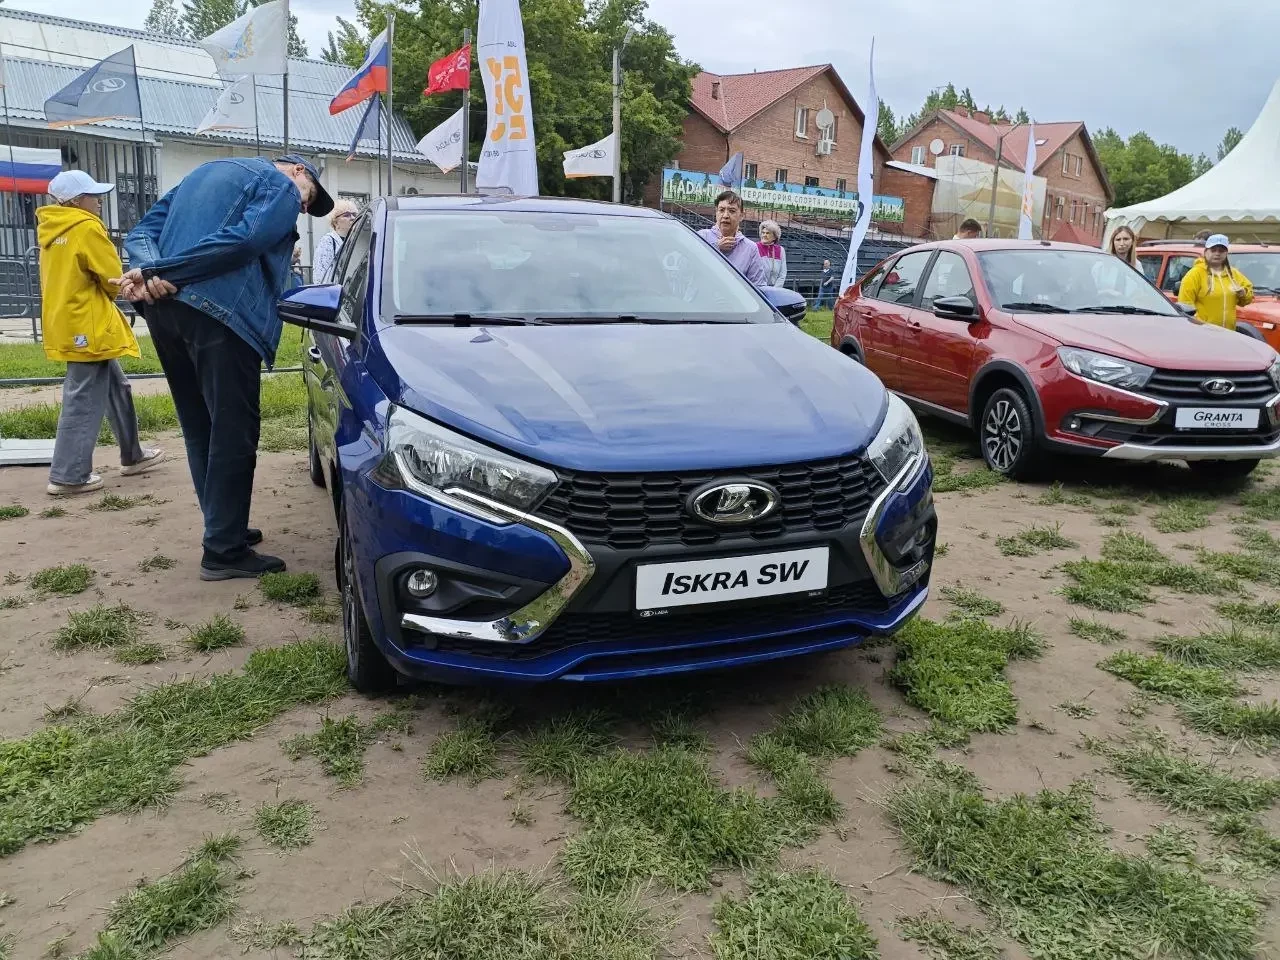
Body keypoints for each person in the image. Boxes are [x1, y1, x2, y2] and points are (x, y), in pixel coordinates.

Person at [119, 154, 334, 580]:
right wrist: (164, 271)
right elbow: (245, 241)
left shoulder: (198, 174)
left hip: (164, 313)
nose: (302, 207)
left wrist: (152, 274)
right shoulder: (281, 185)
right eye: (309, 198)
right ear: (298, 172)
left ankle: (223, 525)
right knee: (233, 429)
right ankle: (224, 550)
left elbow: (141, 233)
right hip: (221, 316)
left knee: (200, 425)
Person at [37, 171, 165, 497]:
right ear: (76, 201)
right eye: (93, 196)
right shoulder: (86, 227)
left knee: (116, 387)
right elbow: (111, 278)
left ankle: (133, 455)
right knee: (82, 396)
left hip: (68, 320)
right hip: (88, 324)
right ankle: (69, 475)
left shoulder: (52, 229)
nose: (99, 202)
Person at [1177, 234, 1254, 331]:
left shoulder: (1233, 274)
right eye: (1213, 250)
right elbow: (1184, 307)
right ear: (1206, 252)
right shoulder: (1195, 274)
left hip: (1229, 332)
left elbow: (1247, 299)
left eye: (1221, 250)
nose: (1217, 253)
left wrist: (1243, 293)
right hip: (1203, 332)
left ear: (1226, 253)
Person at [698, 190, 767, 286]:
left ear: (741, 216)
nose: (725, 215)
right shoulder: (701, 237)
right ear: (716, 212)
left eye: (732, 211)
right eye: (721, 210)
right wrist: (715, 248)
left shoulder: (750, 248)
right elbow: (688, 267)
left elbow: (758, 286)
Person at [313, 199, 359, 284]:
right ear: (335, 222)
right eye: (346, 215)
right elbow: (319, 276)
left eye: (354, 214)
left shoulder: (356, 240)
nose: (352, 218)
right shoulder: (328, 241)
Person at [756, 220, 787, 287]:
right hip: (758, 288)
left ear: (774, 237)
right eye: (763, 232)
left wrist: (775, 289)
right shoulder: (755, 247)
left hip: (775, 289)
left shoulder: (781, 250)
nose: (764, 235)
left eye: (768, 233)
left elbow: (782, 274)